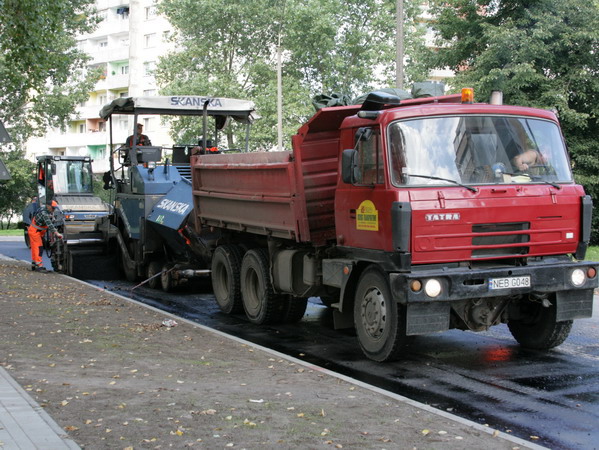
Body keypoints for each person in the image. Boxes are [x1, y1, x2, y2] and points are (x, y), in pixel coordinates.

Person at [28, 200, 63, 272]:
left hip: (36, 232)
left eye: (54, 208)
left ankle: (34, 265)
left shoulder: (46, 212)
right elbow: (49, 224)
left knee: (35, 248)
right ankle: (39, 266)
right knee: (39, 248)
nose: (53, 209)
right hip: (35, 232)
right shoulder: (44, 213)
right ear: (48, 206)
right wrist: (57, 234)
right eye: (52, 208)